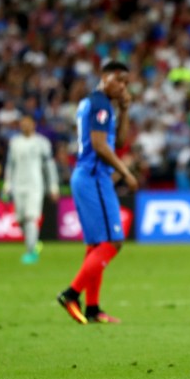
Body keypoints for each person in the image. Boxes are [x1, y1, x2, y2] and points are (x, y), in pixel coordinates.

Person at [55, 61, 138, 324]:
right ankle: (71, 294)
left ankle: (92, 309)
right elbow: (101, 146)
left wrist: (125, 110)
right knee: (113, 242)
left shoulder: (96, 103)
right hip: (94, 177)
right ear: (104, 77)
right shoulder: (100, 104)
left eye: (126, 82)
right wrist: (125, 172)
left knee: (95, 245)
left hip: (86, 176)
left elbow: (121, 142)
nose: (123, 86)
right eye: (119, 80)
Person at [2, 116, 59, 264]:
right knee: (20, 219)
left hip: (35, 186)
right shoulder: (15, 143)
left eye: (28, 124)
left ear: (34, 125)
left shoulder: (42, 143)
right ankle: (34, 242)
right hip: (18, 185)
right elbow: (10, 165)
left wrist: (53, 186)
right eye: (22, 124)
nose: (25, 127)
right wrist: (7, 184)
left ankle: (31, 252)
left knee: (30, 217)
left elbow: (49, 167)